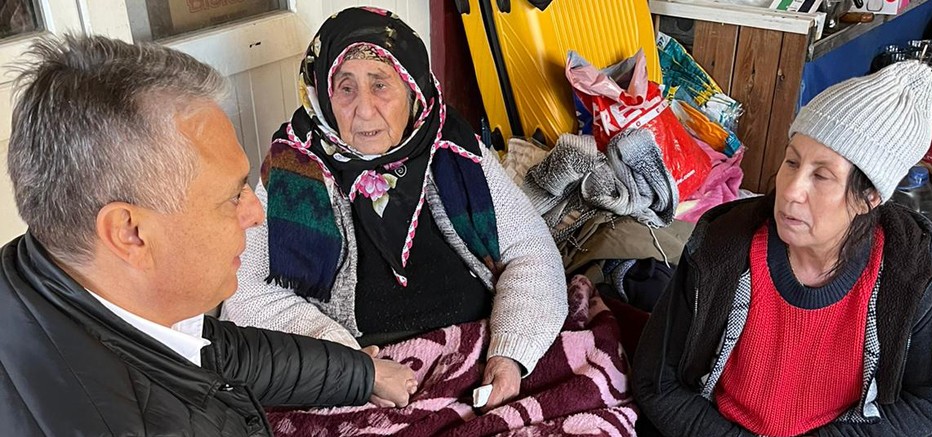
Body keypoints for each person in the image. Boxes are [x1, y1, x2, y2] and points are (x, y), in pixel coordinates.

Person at [0, 35, 418, 436]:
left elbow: (212, 351)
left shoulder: (40, 275)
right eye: (232, 196)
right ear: (130, 233)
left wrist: (361, 373)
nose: (256, 214)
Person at [220, 7, 567, 410]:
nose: (364, 110)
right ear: (322, 95)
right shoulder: (293, 164)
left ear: (413, 88)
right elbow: (246, 292)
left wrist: (511, 353)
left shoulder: (453, 147)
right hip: (360, 379)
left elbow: (531, 251)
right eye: (345, 88)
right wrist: (350, 368)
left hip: (479, 352)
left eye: (380, 85)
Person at [632, 61, 932, 436]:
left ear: (869, 197)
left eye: (821, 175)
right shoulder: (722, 244)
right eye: (792, 162)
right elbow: (656, 380)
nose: (791, 190)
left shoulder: (909, 267)